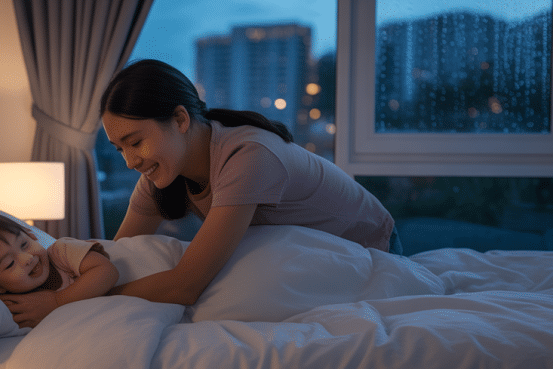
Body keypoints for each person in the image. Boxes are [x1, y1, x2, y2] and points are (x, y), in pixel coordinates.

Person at [96, 59, 400, 307]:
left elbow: (184, 286)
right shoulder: (163, 171)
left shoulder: (249, 155)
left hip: (371, 250)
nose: (130, 161)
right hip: (308, 257)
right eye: (120, 148)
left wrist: (88, 296)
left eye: (135, 142)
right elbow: (117, 252)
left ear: (180, 120)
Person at [0, 213, 118, 328]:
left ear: (31, 235)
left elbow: (106, 271)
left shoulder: (61, 252)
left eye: (24, 244)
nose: (27, 258)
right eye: (9, 264)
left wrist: (56, 301)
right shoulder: (11, 302)